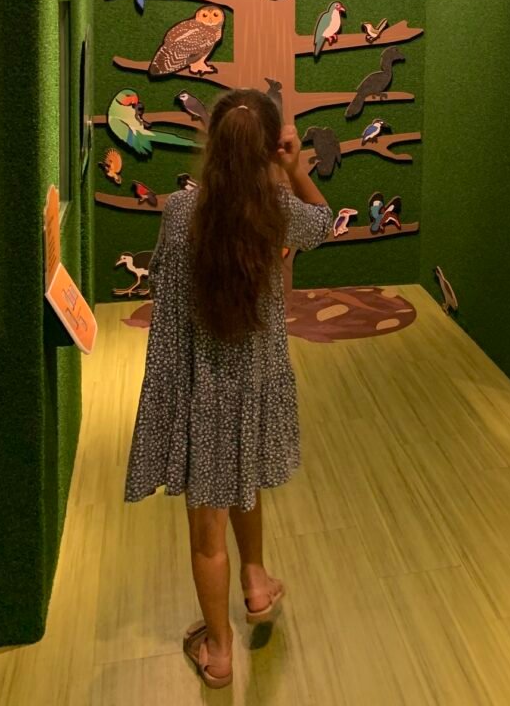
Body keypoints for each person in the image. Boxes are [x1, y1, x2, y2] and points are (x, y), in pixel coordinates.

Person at [123, 87, 332, 689]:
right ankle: (255, 584)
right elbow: (324, 223)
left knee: (206, 532)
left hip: (202, 392)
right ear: (269, 148)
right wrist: (295, 168)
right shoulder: (277, 209)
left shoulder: (180, 213)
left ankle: (218, 653)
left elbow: (166, 302)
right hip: (258, 385)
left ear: (211, 145)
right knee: (246, 481)